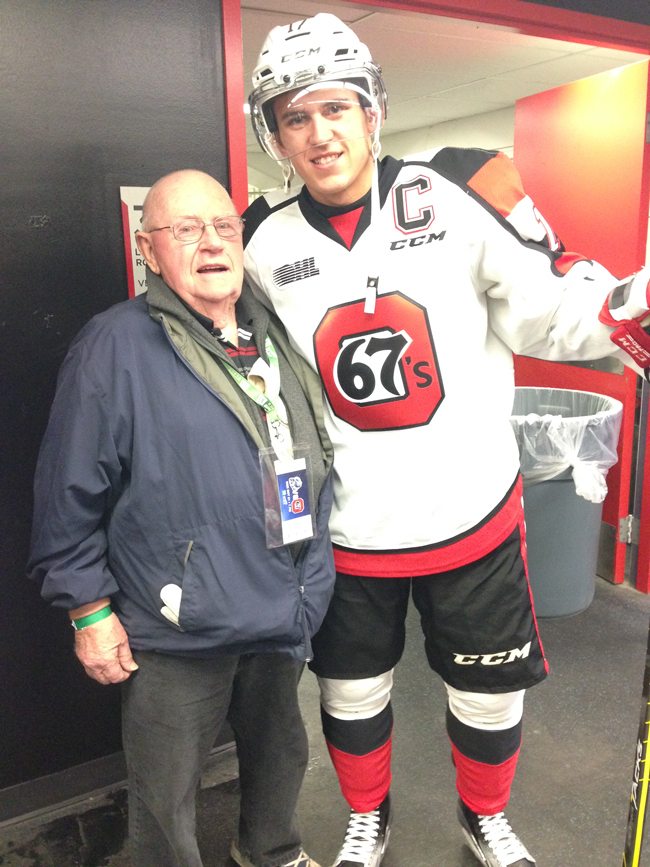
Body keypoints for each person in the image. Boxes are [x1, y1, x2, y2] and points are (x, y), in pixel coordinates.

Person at [242, 14, 650, 867]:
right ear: (273, 135)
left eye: (335, 108)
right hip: (350, 528)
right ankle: (367, 815)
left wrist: (620, 311)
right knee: (351, 691)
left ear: (372, 110)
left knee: (489, 690)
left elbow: (553, 309)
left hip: (471, 513)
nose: (319, 133)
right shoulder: (259, 242)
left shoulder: (461, 185)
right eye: (295, 117)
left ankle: (484, 815)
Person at [27, 169, 336, 867]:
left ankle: (270, 851)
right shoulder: (114, 346)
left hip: (280, 605)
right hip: (178, 624)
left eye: (224, 226)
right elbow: (67, 488)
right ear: (149, 248)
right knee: (165, 794)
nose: (211, 242)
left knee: (281, 753)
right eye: (186, 229)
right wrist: (87, 610)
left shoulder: (273, 332)